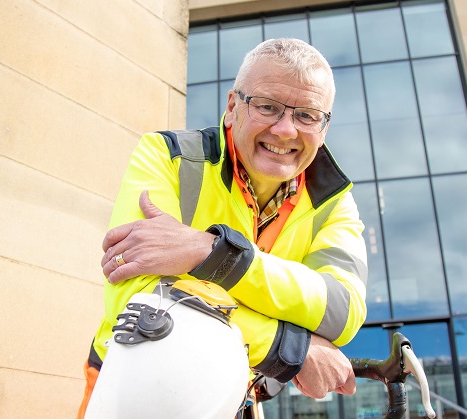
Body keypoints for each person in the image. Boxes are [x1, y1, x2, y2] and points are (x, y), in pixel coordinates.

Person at [77, 38, 368, 417]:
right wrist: (287, 346)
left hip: (236, 396)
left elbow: (340, 311)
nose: (284, 130)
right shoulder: (167, 157)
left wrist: (210, 254)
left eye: (307, 115)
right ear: (233, 106)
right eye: (267, 107)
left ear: (324, 126)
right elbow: (139, 294)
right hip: (133, 375)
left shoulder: (334, 201)